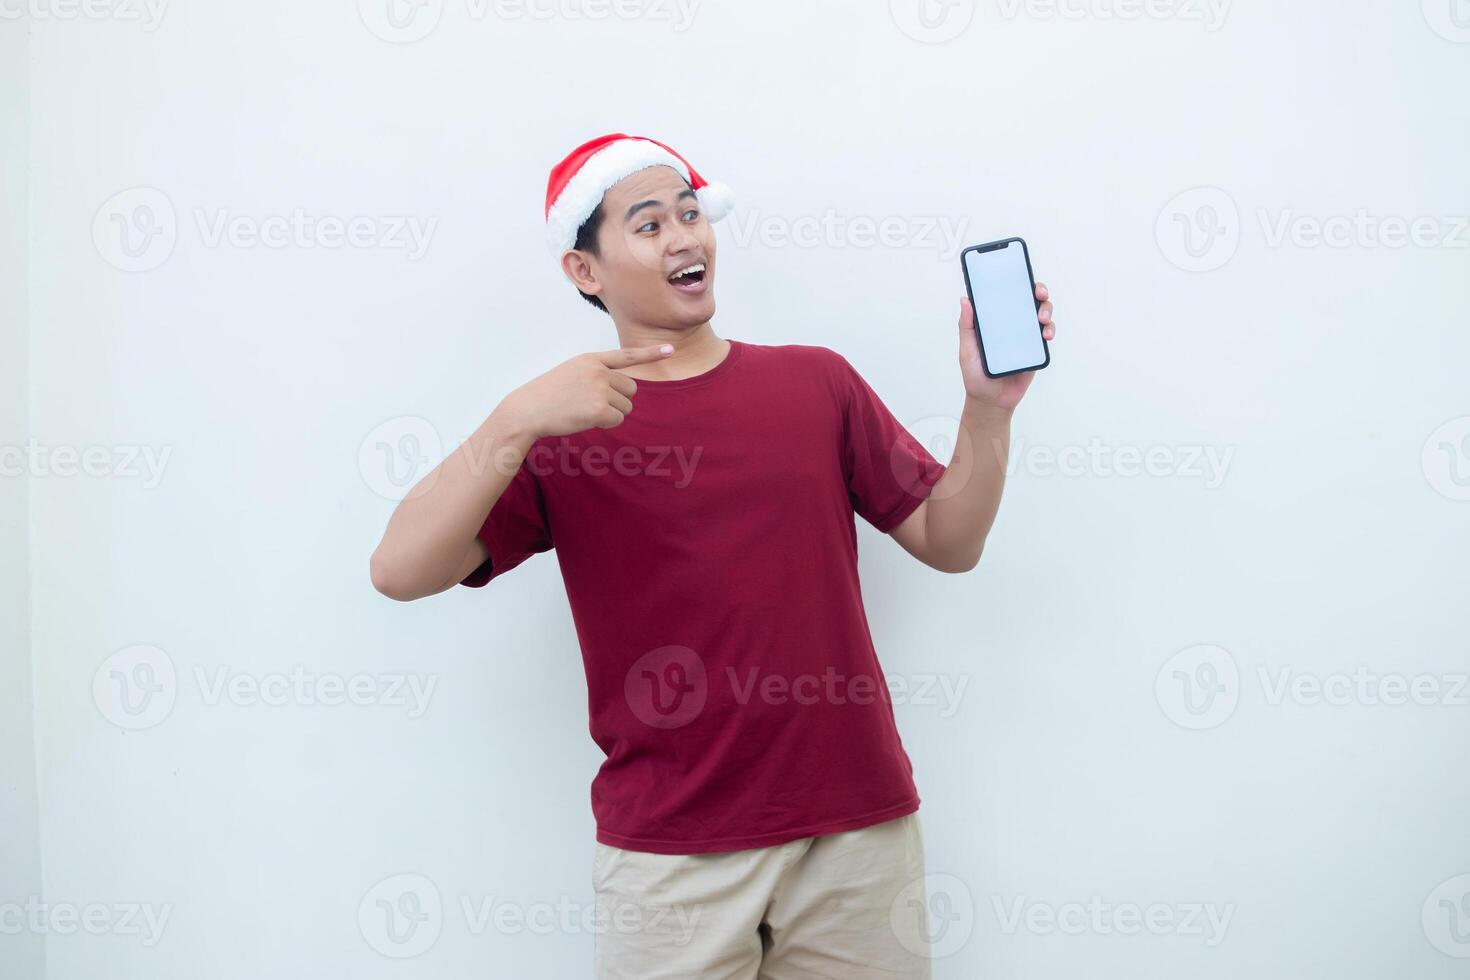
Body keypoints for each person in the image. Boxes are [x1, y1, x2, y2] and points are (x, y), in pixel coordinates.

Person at [369, 133, 1059, 978]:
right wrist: (512, 421)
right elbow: (398, 571)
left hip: (856, 839)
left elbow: (950, 544)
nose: (685, 238)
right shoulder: (563, 429)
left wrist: (988, 411)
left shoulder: (817, 384)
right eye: (650, 224)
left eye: (692, 215)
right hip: (670, 859)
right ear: (586, 271)